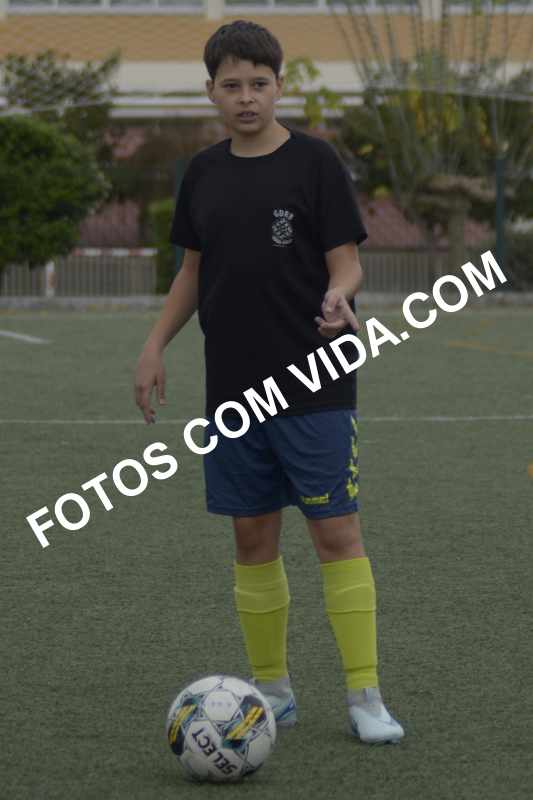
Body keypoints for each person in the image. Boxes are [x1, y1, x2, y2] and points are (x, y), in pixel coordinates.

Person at [135, 19, 404, 745]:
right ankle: (274, 693)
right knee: (251, 537)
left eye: (259, 83)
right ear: (211, 92)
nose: (247, 97)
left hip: (315, 381)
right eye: (232, 85)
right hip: (233, 390)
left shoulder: (315, 163)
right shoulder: (202, 173)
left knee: (336, 533)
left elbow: (346, 260)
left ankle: (365, 697)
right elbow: (191, 272)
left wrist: (340, 294)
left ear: (279, 85)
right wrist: (155, 345)